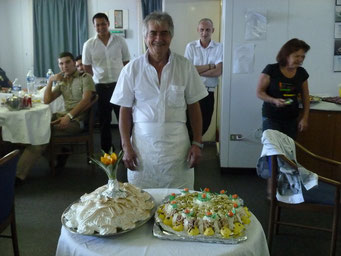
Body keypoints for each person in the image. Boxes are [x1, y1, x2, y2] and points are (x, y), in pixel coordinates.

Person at [111, 12, 208, 189]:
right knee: (142, 202)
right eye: (153, 33)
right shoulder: (132, 69)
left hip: (178, 151)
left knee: (179, 203)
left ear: (171, 36)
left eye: (164, 33)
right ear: (145, 36)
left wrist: (197, 142)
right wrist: (126, 147)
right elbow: (124, 111)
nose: (158, 38)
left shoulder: (184, 66)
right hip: (142, 149)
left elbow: (194, 107)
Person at [16, 52, 95, 182]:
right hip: (62, 116)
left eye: (68, 62)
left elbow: (86, 100)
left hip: (76, 121)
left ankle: (17, 176)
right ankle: (59, 153)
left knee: (40, 135)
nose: (65, 66)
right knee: (34, 127)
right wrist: (50, 81)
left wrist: (69, 116)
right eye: (61, 63)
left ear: (74, 63)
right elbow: (47, 100)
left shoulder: (85, 77)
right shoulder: (62, 81)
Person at [82, 12, 130, 153]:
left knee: (125, 119)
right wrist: (95, 80)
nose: (101, 27)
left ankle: (126, 149)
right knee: (104, 122)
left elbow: (126, 62)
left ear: (108, 23)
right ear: (94, 26)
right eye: (97, 25)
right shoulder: (89, 45)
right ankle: (107, 151)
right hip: (101, 87)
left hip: (119, 86)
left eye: (103, 24)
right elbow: (86, 67)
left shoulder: (120, 41)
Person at [256, 38, 310, 139]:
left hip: (292, 118)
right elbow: (259, 92)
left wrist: (305, 118)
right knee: (272, 149)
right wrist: (274, 100)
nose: (300, 59)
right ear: (286, 55)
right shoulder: (271, 69)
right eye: (297, 56)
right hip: (271, 117)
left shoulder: (302, 73)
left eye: (303, 56)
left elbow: (306, 97)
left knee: (288, 150)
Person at [184, 18, 223, 135]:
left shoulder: (219, 47)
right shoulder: (191, 47)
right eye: (201, 30)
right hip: (192, 92)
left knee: (204, 125)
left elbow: (218, 71)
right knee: (188, 124)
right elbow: (188, 70)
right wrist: (210, 66)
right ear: (198, 30)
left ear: (213, 30)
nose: (204, 33)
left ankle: (195, 147)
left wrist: (196, 69)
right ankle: (189, 149)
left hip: (208, 93)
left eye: (207, 30)